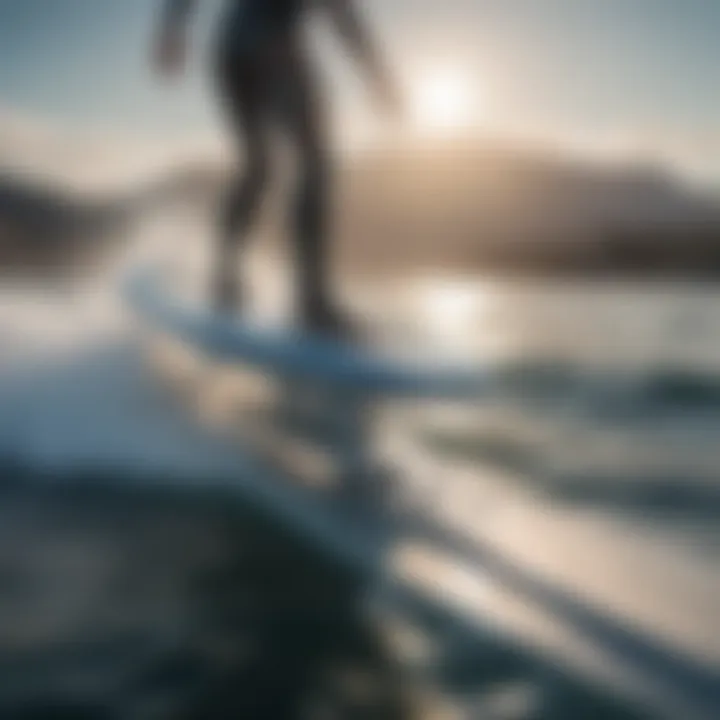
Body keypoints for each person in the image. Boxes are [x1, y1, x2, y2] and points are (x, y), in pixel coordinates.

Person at [153, 0, 402, 339]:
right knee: (314, 163)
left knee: (259, 168)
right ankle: (311, 304)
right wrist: (377, 76)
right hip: (269, 49)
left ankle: (225, 278)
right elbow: (345, 18)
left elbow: (344, 16)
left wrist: (173, 28)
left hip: (231, 56)